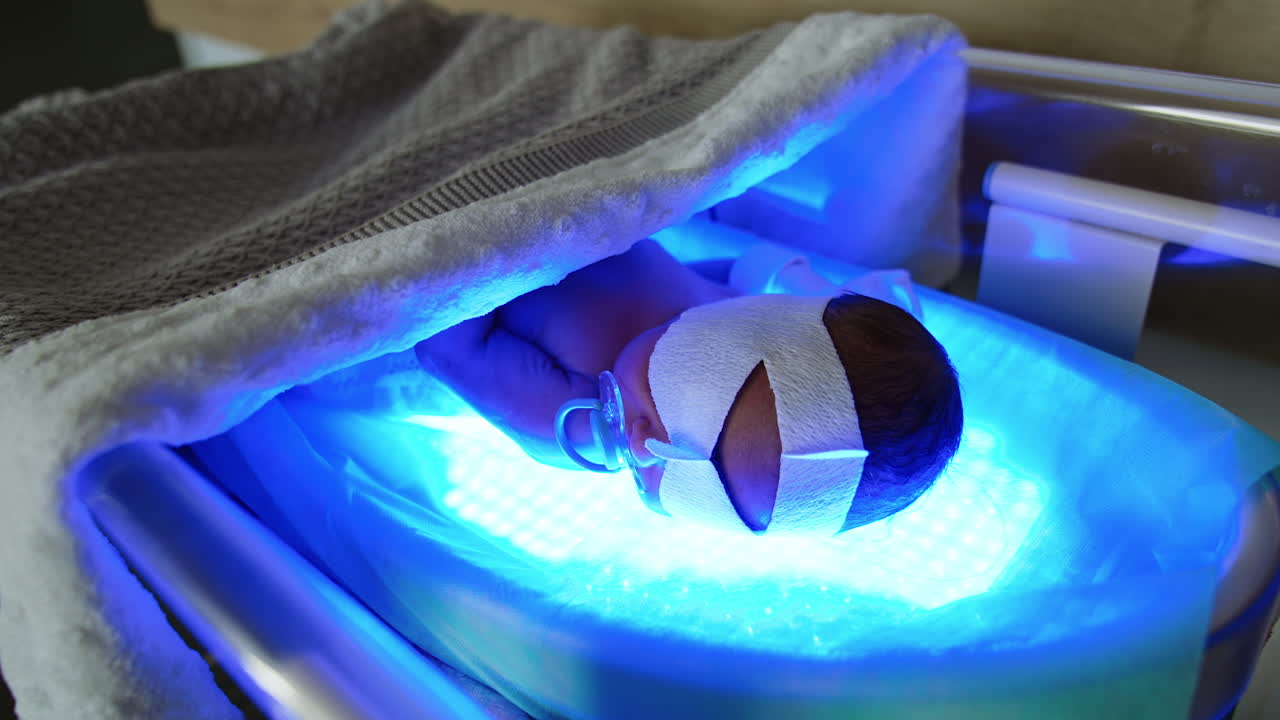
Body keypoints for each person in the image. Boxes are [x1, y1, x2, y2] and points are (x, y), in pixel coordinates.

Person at [415, 237, 962, 534]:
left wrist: (489, 230)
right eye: (689, 400)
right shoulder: (735, 310)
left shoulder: (580, 416)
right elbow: (750, 268)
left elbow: (440, 341)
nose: (640, 442)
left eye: (700, 490)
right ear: (765, 315)